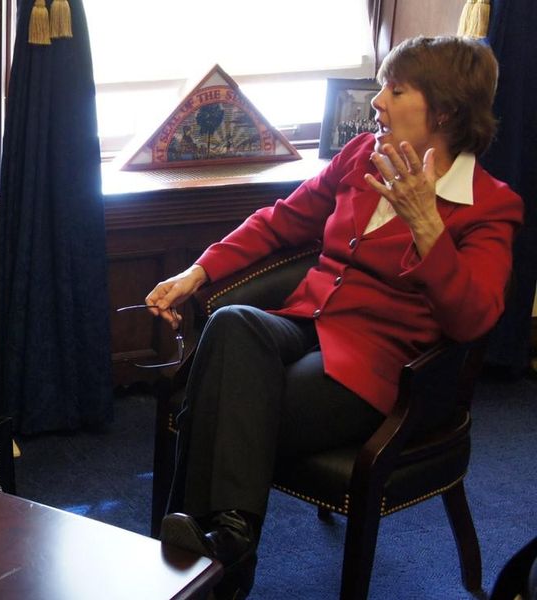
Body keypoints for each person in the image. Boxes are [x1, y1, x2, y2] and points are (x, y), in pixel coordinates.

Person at [146, 36, 523, 598]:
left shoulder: (490, 204)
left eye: (395, 90)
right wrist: (198, 273)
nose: (378, 102)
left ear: (444, 111)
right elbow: (280, 221)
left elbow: (473, 321)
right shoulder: (360, 156)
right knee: (231, 324)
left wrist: (428, 228)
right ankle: (228, 541)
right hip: (307, 320)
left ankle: (206, 556)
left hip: (378, 368)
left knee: (221, 398)